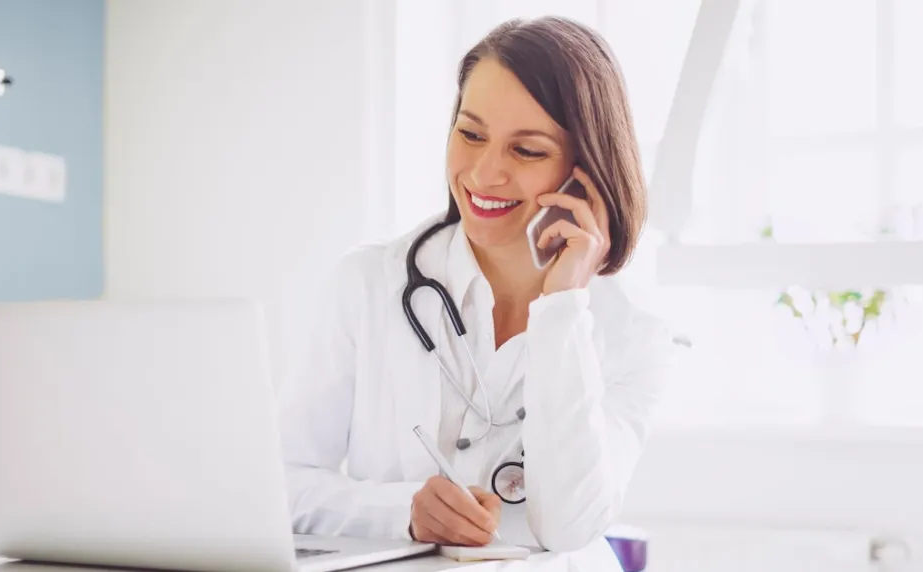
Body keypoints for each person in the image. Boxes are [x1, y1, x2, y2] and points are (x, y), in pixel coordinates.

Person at [278, 15, 678, 570]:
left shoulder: (634, 333)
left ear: (586, 168)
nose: (485, 173)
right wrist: (401, 511)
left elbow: (570, 525)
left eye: (527, 150)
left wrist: (561, 310)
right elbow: (281, 485)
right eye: (470, 134)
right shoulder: (368, 284)